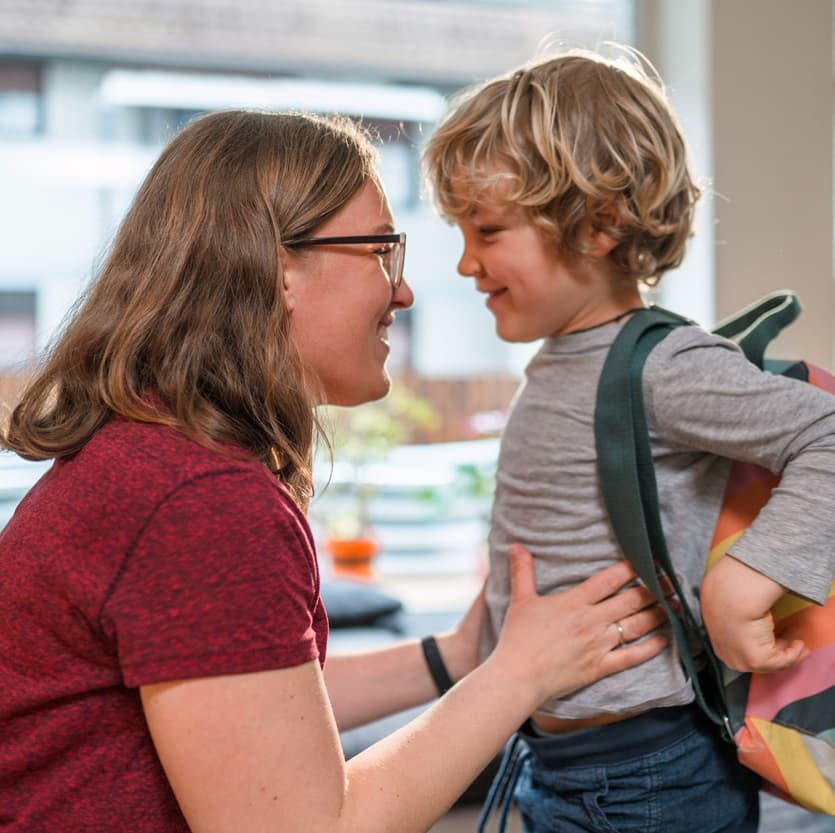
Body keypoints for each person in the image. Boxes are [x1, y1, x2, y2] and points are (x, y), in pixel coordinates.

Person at [0, 109, 670, 833]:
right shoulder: (200, 502)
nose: (403, 290)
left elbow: (253, 707)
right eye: (383, 250)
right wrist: (520, 675)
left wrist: (458, 656)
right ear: (278, 266)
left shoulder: (155, 453)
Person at [422, 48, 835, 833]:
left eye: (487, 230)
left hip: (647, 775)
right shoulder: (559, 357)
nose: (466, 262)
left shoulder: (661, 366)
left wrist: (741, 584)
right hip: (563, 761)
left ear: (600, 223)